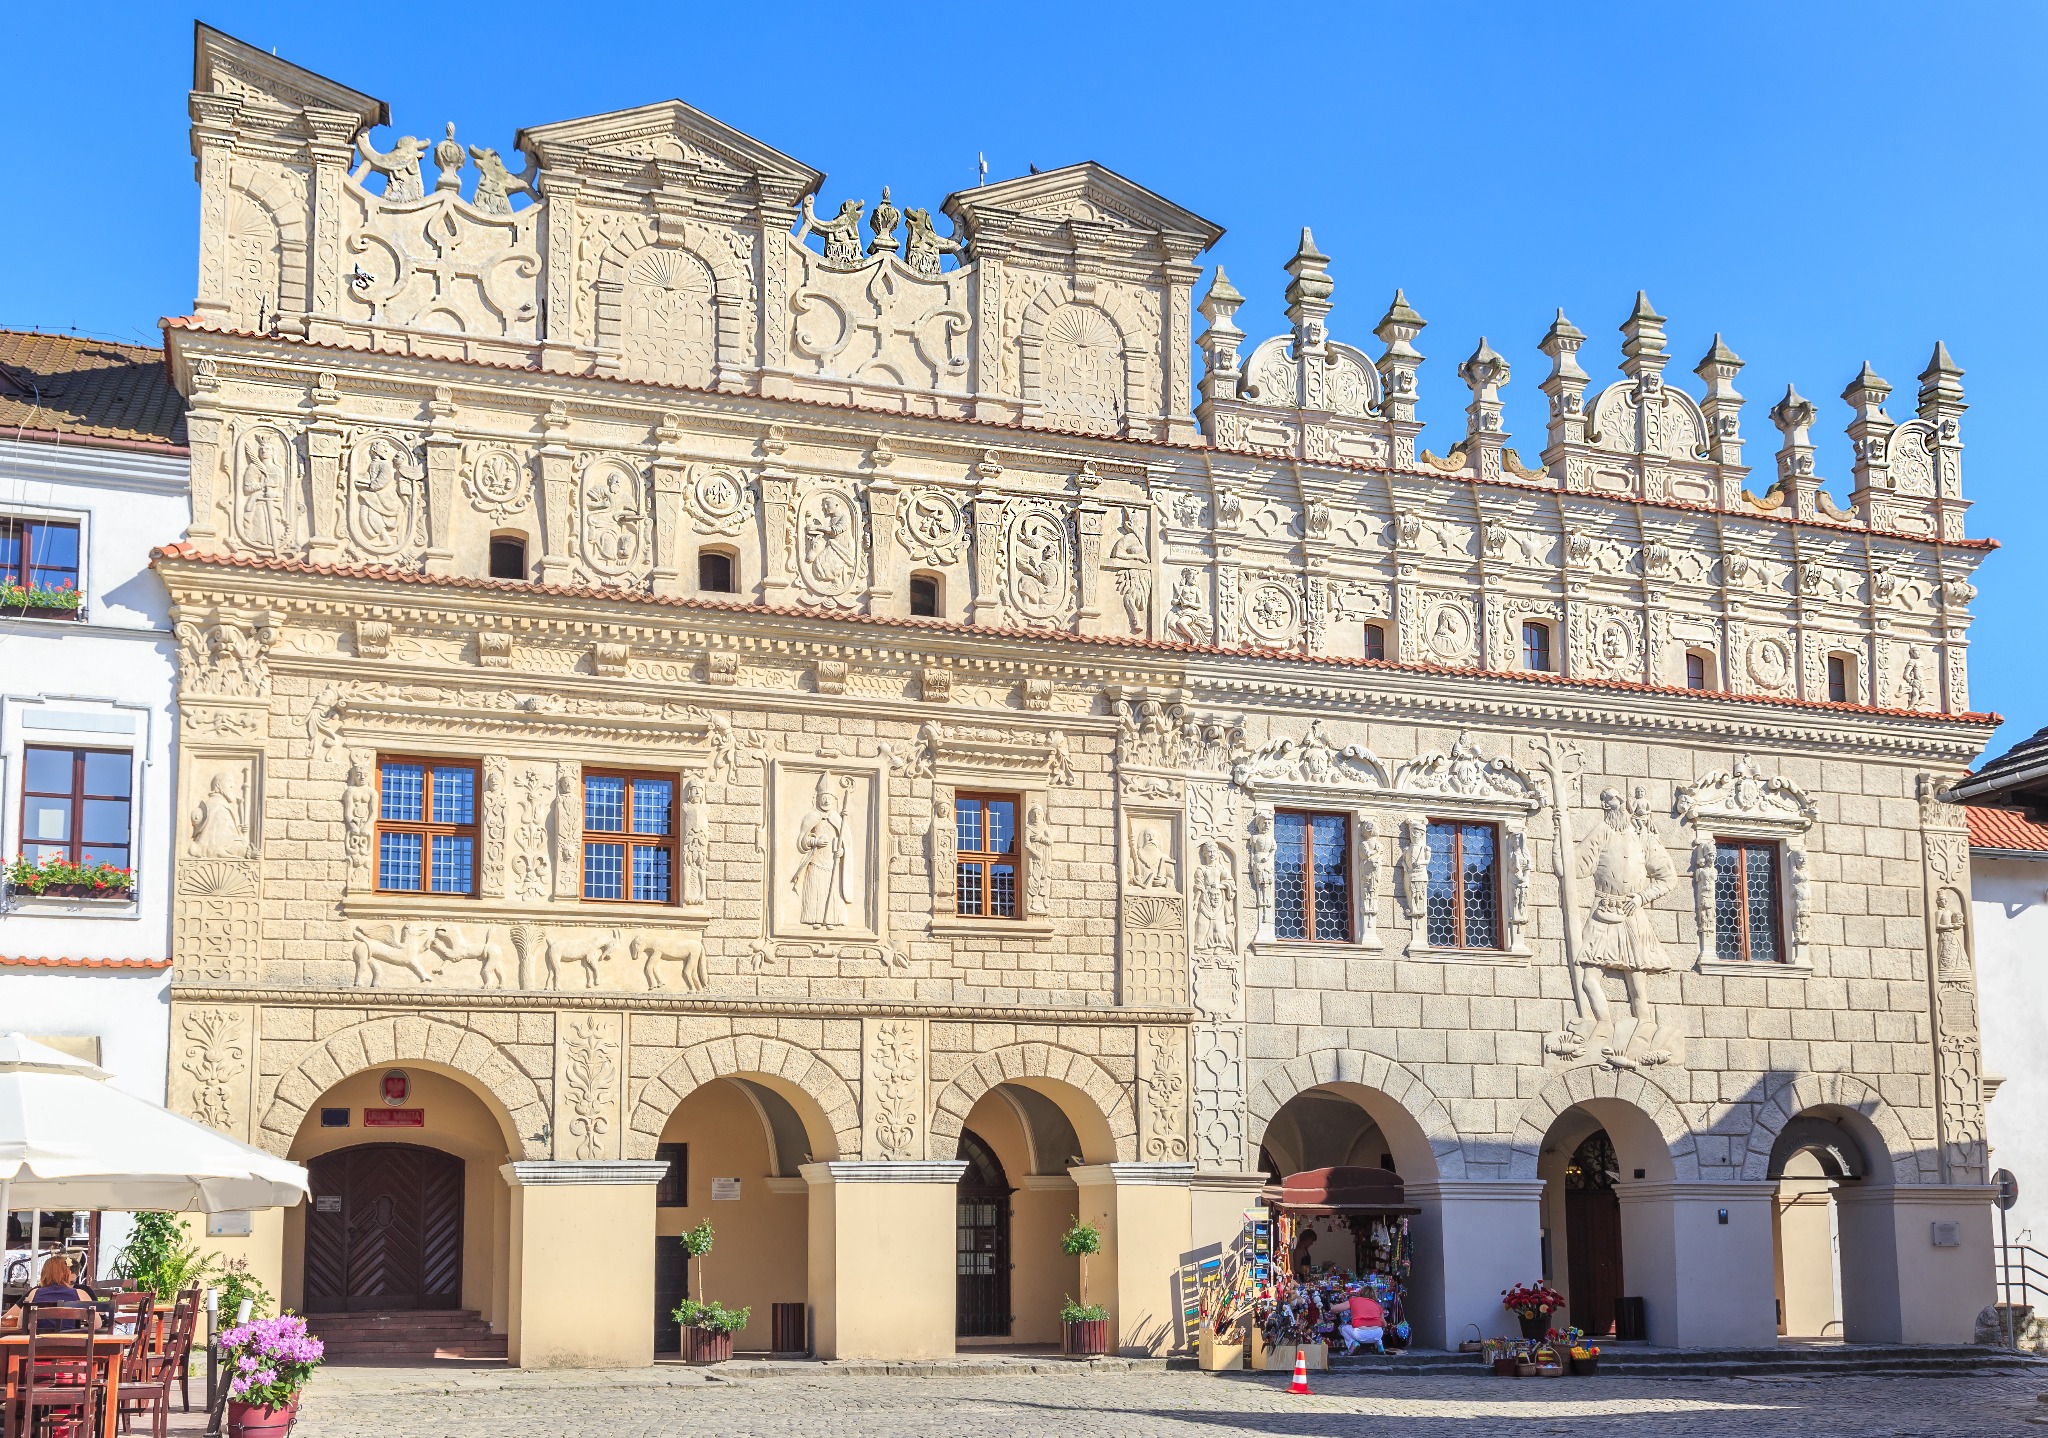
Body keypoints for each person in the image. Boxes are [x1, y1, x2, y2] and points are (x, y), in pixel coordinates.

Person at [1337, 1285, 1385, 1354]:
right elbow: (1384, 1324)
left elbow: (1334, 1309)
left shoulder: (1354, 1300)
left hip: (1361, 1334)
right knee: (1379, 1327)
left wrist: (1331, 1307)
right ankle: (1380, 1346)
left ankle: (1352, 1346)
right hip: (1377, 1335)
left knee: (1342, 1327)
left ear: (1361, 1293)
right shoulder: (1377, 1305)